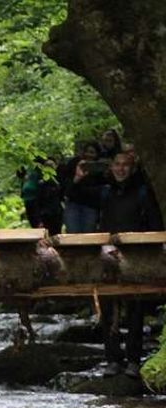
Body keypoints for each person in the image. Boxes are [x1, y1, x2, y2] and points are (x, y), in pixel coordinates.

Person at [98, 151, 164, 377]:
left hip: (136, 257)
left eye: (125, 165)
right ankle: (112, 360)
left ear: (133, 168)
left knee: (135, 312)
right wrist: (77, 178)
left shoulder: (143, 192)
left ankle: (133, 360)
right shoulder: (107, 192)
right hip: (108, 255)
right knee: (108, 310)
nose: (121, 169)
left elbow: (155, 224)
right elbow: (76, 194)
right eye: (117, 164)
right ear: (111, 167)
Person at [60, 141, 104, 233]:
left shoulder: (100, 168)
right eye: (87, 151)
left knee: (88, 234)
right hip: (73, 204)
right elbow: (66, 189)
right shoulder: (74, 163)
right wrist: (77, 178)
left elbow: (102, 188)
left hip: (91, 206)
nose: (89, 155)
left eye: (92, 152)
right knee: (73, 234)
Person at [20, 156, 63, 235]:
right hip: (39, 210)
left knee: (54, 234)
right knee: (40, 233)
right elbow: (35, 198)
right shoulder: (37, 177)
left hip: (53, 211)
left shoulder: (57, 178)